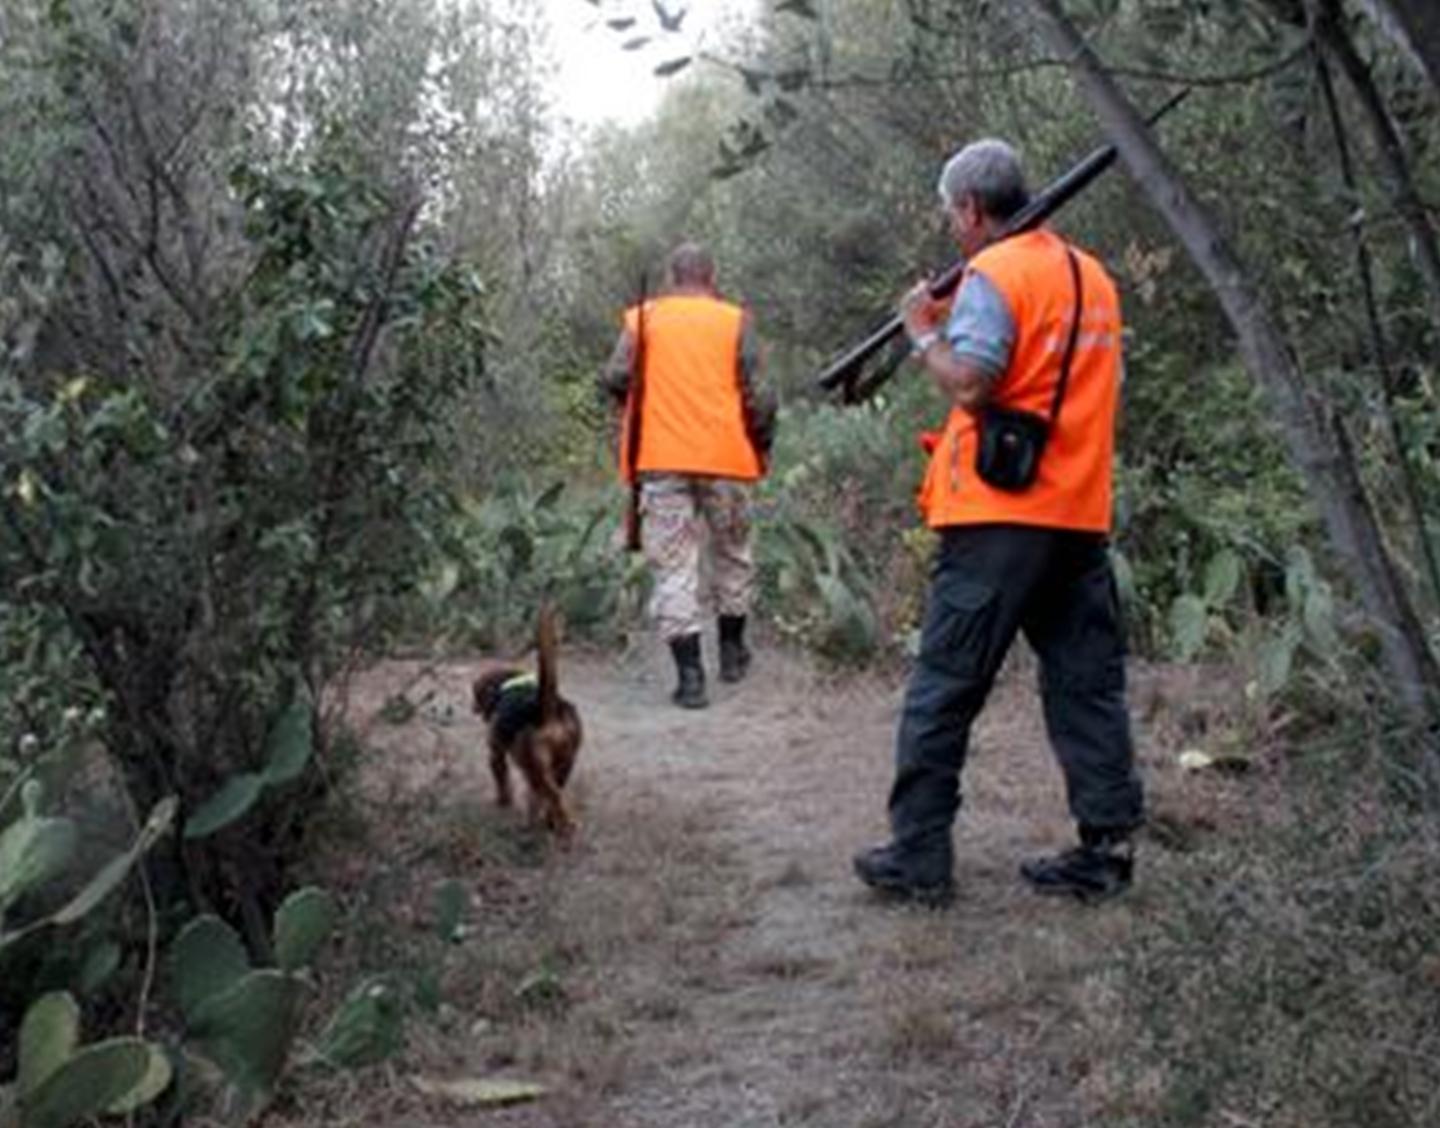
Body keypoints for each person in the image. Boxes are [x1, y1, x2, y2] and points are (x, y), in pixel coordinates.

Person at [852, 139, 1144, 906]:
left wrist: (922, 331)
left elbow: (974, 382)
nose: (953, 228)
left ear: (973, 210)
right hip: (1078, 514)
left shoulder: (995, 273)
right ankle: (1105, 852)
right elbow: (1055, 364)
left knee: (944, 687)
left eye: (953, 214)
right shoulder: (1092, 276)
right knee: (1087, 688)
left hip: (998, 519)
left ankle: (918, 857)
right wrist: (960, 315)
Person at [600, 242, 776, 710]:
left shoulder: (644, 319)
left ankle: (691, 677)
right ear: (711, 276)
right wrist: (763, 445)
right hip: (727, 458)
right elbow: (761, 396)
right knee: (733, 553)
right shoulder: (734, 320)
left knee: (674, 566)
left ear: (671, 277)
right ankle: (734, 653)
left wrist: (644, 391)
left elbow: (615, 377)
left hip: (660, 459)